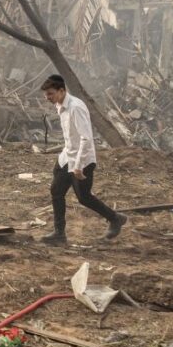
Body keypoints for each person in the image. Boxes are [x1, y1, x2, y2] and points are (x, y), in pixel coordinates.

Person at [39, 74, 126, 244]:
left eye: (50, 94)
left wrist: (78, 167)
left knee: (84, 197)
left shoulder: (76, 107)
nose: (47, 98)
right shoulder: (60, 105)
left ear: (62, 90)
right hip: (67, 156)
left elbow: (86, 139)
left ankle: (115, 218)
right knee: (56, 191)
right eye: (46, 94)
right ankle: (59, 234)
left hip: (82, 160)